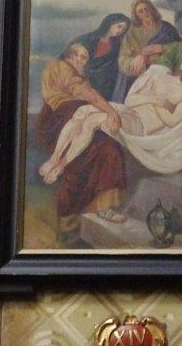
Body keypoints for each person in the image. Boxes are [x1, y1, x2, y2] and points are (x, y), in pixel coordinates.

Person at [39, 60, 182, 183]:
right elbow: (131, 100)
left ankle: (62, 166)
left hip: (143, 125)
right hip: (130, 110)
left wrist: (155, 105)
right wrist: (158, 101)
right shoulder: (161, 76)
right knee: (82, 111)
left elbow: (173, 121)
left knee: (92, 121)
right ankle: (54, 158)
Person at [34, 42, 127, 240]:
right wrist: (111, 112)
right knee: (97, 154)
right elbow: (87, 94)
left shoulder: (64, 70)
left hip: (65, 118)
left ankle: (98, 209)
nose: (83, 62)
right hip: (62, 118)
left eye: (86, 58)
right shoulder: (63, 67)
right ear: (70, 56)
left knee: (107, 149)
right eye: (81, 56)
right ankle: (71, 222)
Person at [113, 0, 181, 101]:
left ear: (152, 10)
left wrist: (161, 48)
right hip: (141, 75)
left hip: (166, 71)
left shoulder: (167, 28)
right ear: (137, 16)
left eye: (146, 9)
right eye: (140, 11)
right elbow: (123, 58)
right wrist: (140, 59)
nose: (145, 13)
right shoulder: (132, 33)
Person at [73, 13, 130, 100]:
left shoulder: (117, 45)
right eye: (119, 26)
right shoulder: (86, 39)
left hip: (103, 87)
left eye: (123, 29)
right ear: (110, 23)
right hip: (80, 81)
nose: (120, 30)